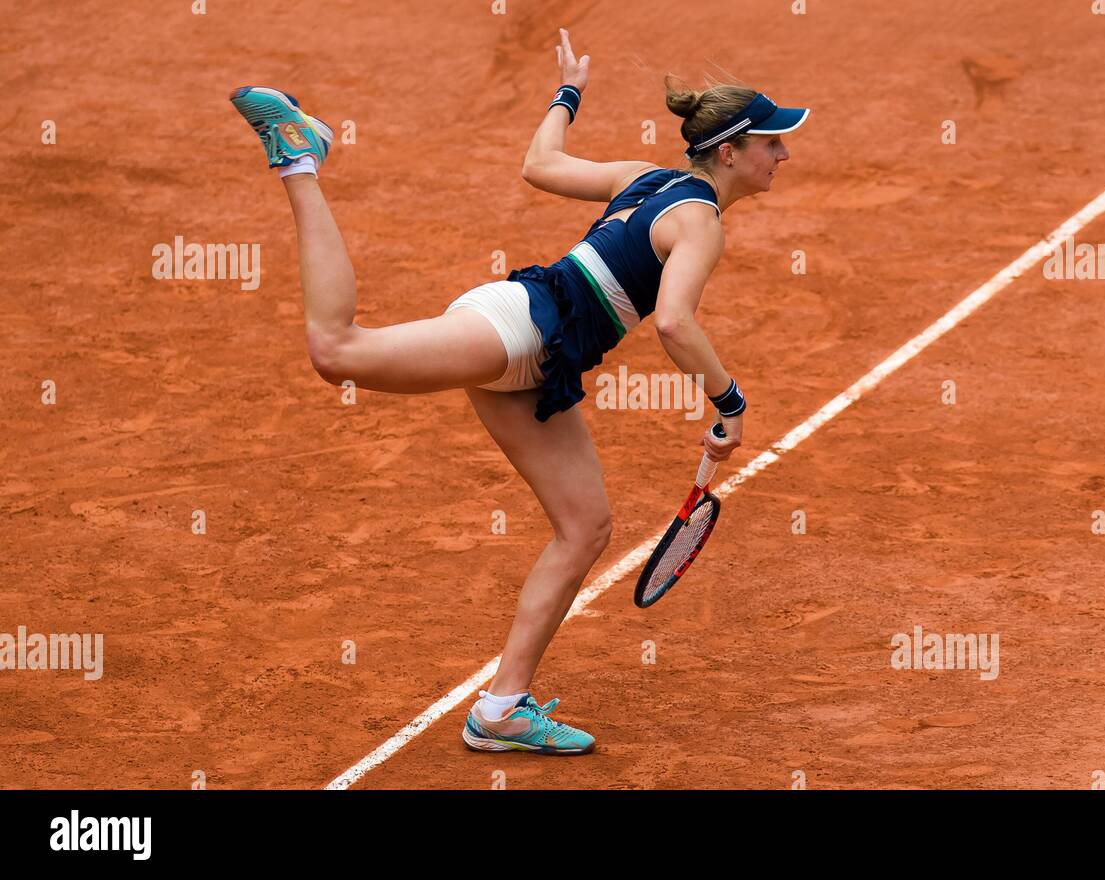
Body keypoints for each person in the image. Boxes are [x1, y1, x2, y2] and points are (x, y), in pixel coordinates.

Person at [229, 28, 808, 755]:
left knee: (586, 526)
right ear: (731, 152)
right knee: (336, 350)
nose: (783, 154)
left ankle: (501, 709)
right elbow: (675, 321)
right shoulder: (700, 221)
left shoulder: (648, 177)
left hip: (541, 361)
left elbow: (539, 166)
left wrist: (568, 94)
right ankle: (301, 158)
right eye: (772, 142)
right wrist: (730, 404)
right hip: (520, 327)